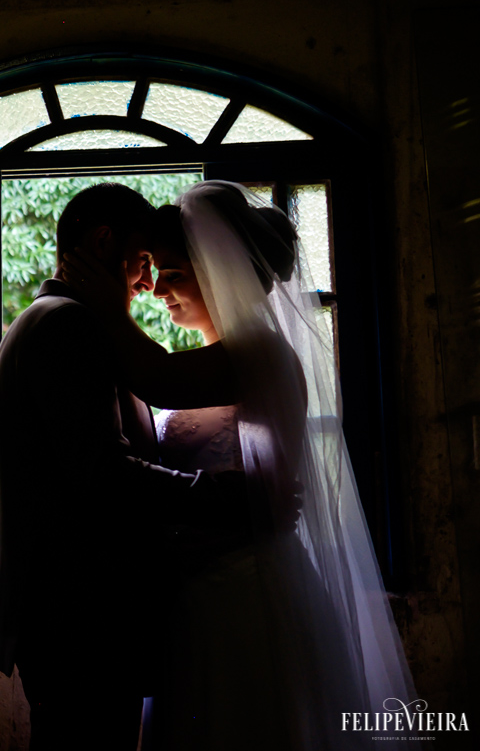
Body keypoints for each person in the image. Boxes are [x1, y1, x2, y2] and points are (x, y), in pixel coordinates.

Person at [62, 181, 420, 750]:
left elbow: (159, 380)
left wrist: (107, 309)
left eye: (174, 273)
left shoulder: (258, 351)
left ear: (217, 272)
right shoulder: (227, 352)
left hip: (241, 596)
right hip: (201, 597)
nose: (159, 291)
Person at [0, 183, 250, 750]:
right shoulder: (68, 326)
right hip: (82, 619)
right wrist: (216, 495)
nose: (150, 284)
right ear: (105, 241)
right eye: (145, 261)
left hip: (74, 616)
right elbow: (101, 472)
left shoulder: (49, 319)